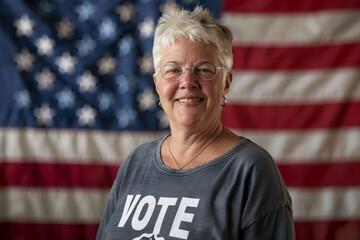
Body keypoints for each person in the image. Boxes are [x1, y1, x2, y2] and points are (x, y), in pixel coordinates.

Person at [97, 6, 295, 240]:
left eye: (204, 70)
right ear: (157, 83)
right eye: (173, 70)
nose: (187, 82)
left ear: (226, 82)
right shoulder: (135, 164)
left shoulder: (250, 170)